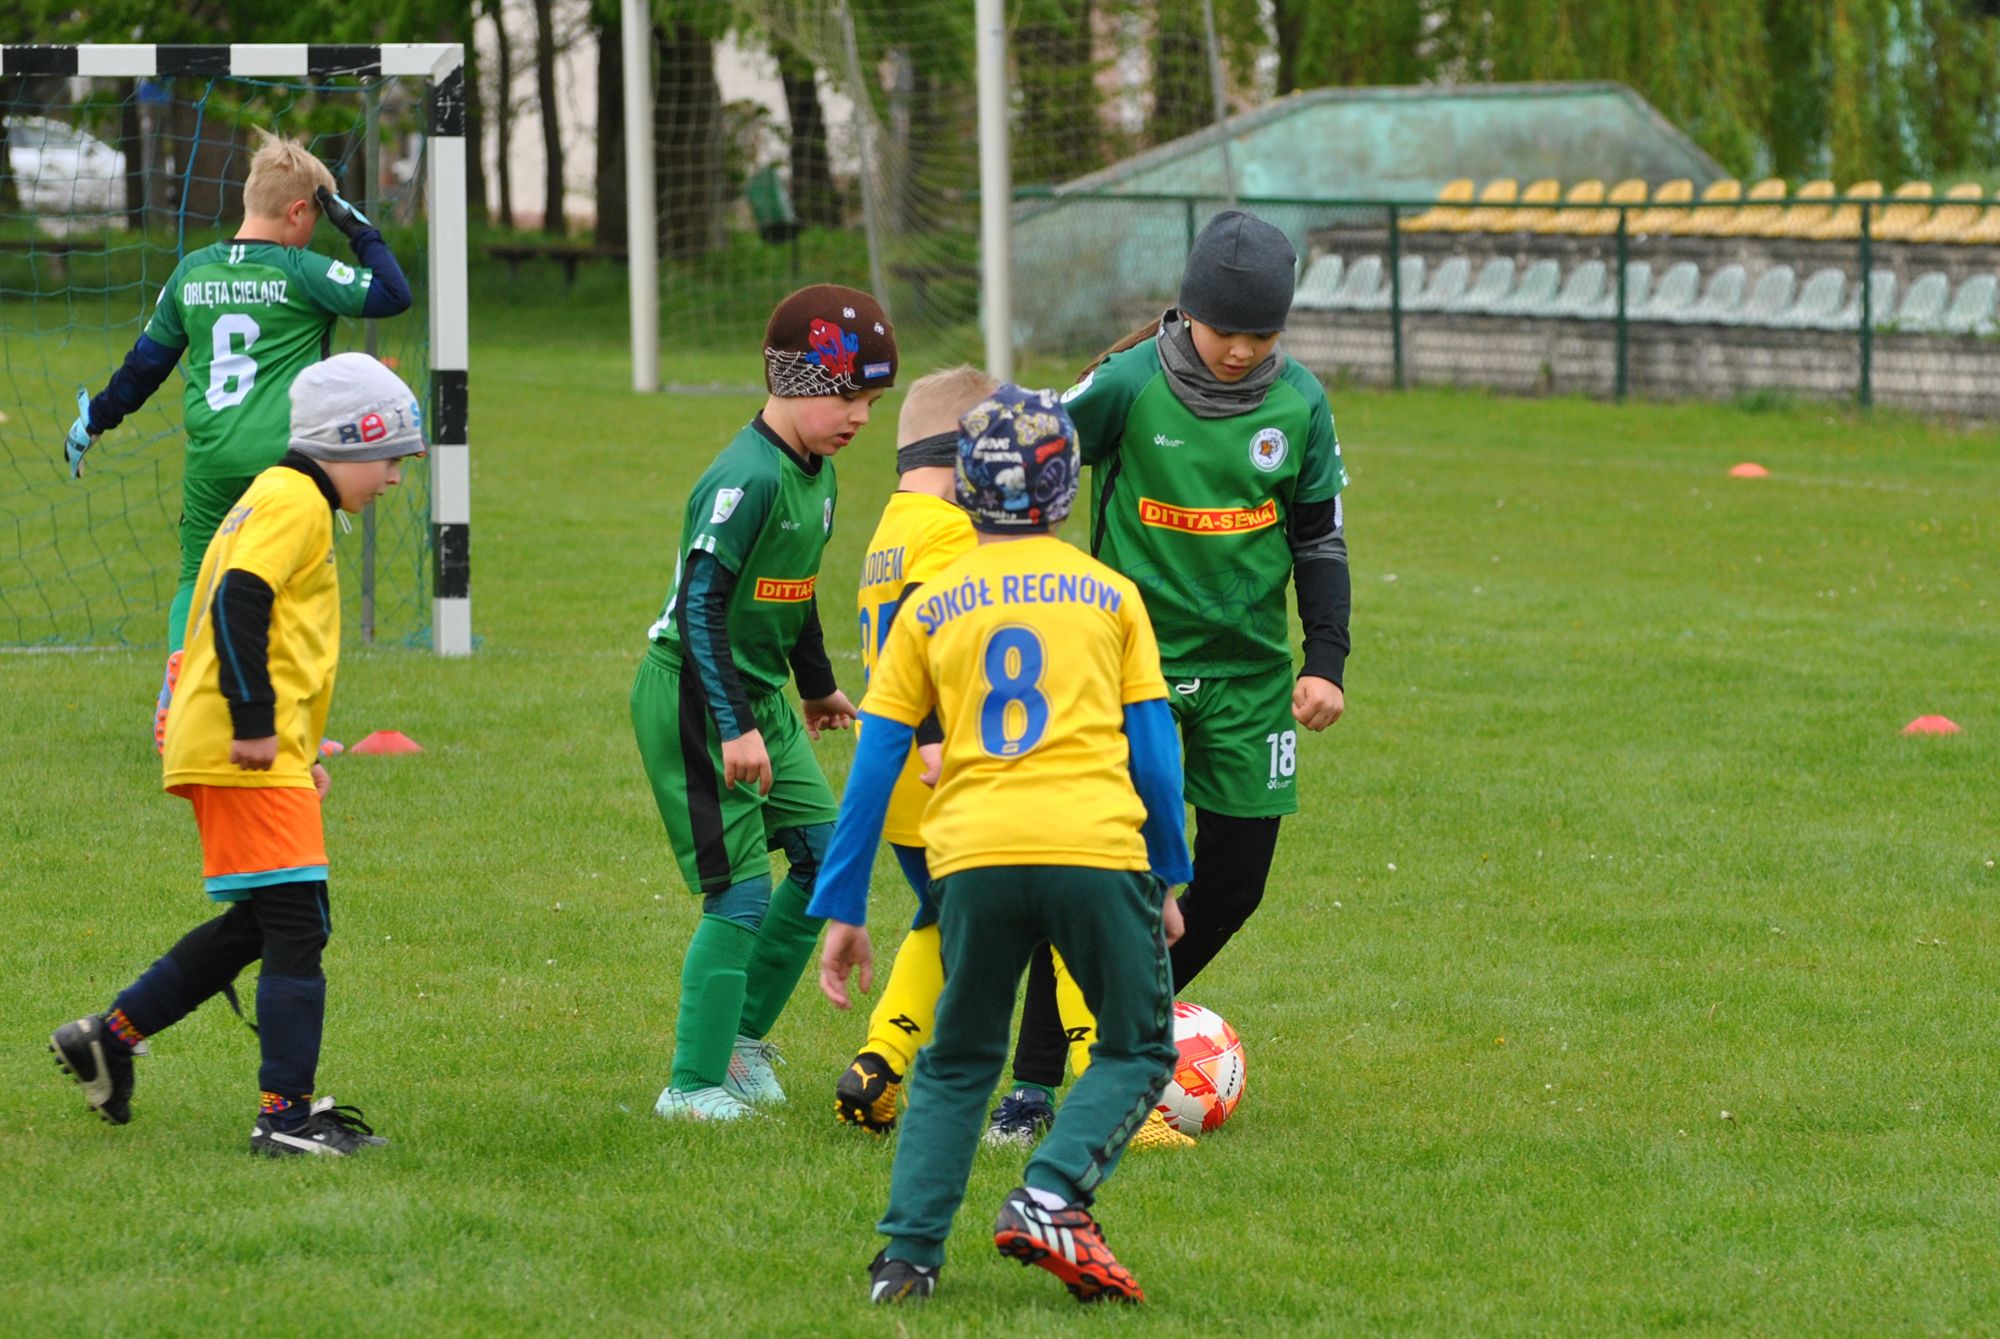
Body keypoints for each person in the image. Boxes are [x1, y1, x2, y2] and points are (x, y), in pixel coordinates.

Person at [811, 384, 1192, 1305]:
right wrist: (1169, 873)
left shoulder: (933, 606)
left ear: (961, 491)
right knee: (1138, 1048)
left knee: (956, 1059)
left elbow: (875, 764)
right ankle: (1052, 1191)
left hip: (973, 856)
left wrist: (843, 905)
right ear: (1064, 495)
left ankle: (906, 1259)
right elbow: (1154, 753)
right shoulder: (1111, 596)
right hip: (1095, 851)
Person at [990, 207, 1351, 1142]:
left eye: (1261, 333)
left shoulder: (1301, 402)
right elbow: (1028, 461)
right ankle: (1032, 1085)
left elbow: (1320, 538)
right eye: (1224, 328)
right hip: (1124, 673)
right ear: (1187, 311)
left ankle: (1113, 1031)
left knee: (1233, 886)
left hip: (1249, 680)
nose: (1240, 350)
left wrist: (1326, 661)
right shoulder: (1128, 383)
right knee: (1089, 875)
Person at [48, 352, 424, 1156]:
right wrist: (257, 724)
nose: (394, 477)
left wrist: (293, 745)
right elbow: (240, 600)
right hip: (235, 737)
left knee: (264, 918)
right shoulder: (294, 501)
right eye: (392, 457)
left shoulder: (280, 495)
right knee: (299, 920)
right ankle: (283, 1117)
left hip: (241, 740)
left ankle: (108, 1037)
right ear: (348, 443)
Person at [634, 284, 896, 1122]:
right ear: (792, 380)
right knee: (741, 892)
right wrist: (735, 725)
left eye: (872, 401)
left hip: (761, 696)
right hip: (696, 695)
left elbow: (795, 592)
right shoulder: (742, 478)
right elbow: (702, 606)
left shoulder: (813, 475)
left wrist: (815, 686)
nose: (860, 416)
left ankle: (741, 1038)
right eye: (847, 396)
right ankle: (691, 1084)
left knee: (825, 855)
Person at [60, 128, 413, 749]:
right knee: (289, 583)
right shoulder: (302, 269)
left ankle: (181, 681)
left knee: (198, 572)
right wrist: (356, 224)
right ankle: (283, 722)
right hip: (290, 464)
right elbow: (392, 293)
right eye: (317, 215)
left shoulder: (192, 272)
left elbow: (146, 365)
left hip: (211, 456)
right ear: (301, 210)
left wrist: (96, 421)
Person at [831, 364, 993, 1133]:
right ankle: (1124, 1092)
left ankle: (878, 1063)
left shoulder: (891, 526)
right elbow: (929, 635)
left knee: (939, 920)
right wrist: (936, 736)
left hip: (895, 788)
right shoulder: (954, 531)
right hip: (948, 770)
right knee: (1063, 922)